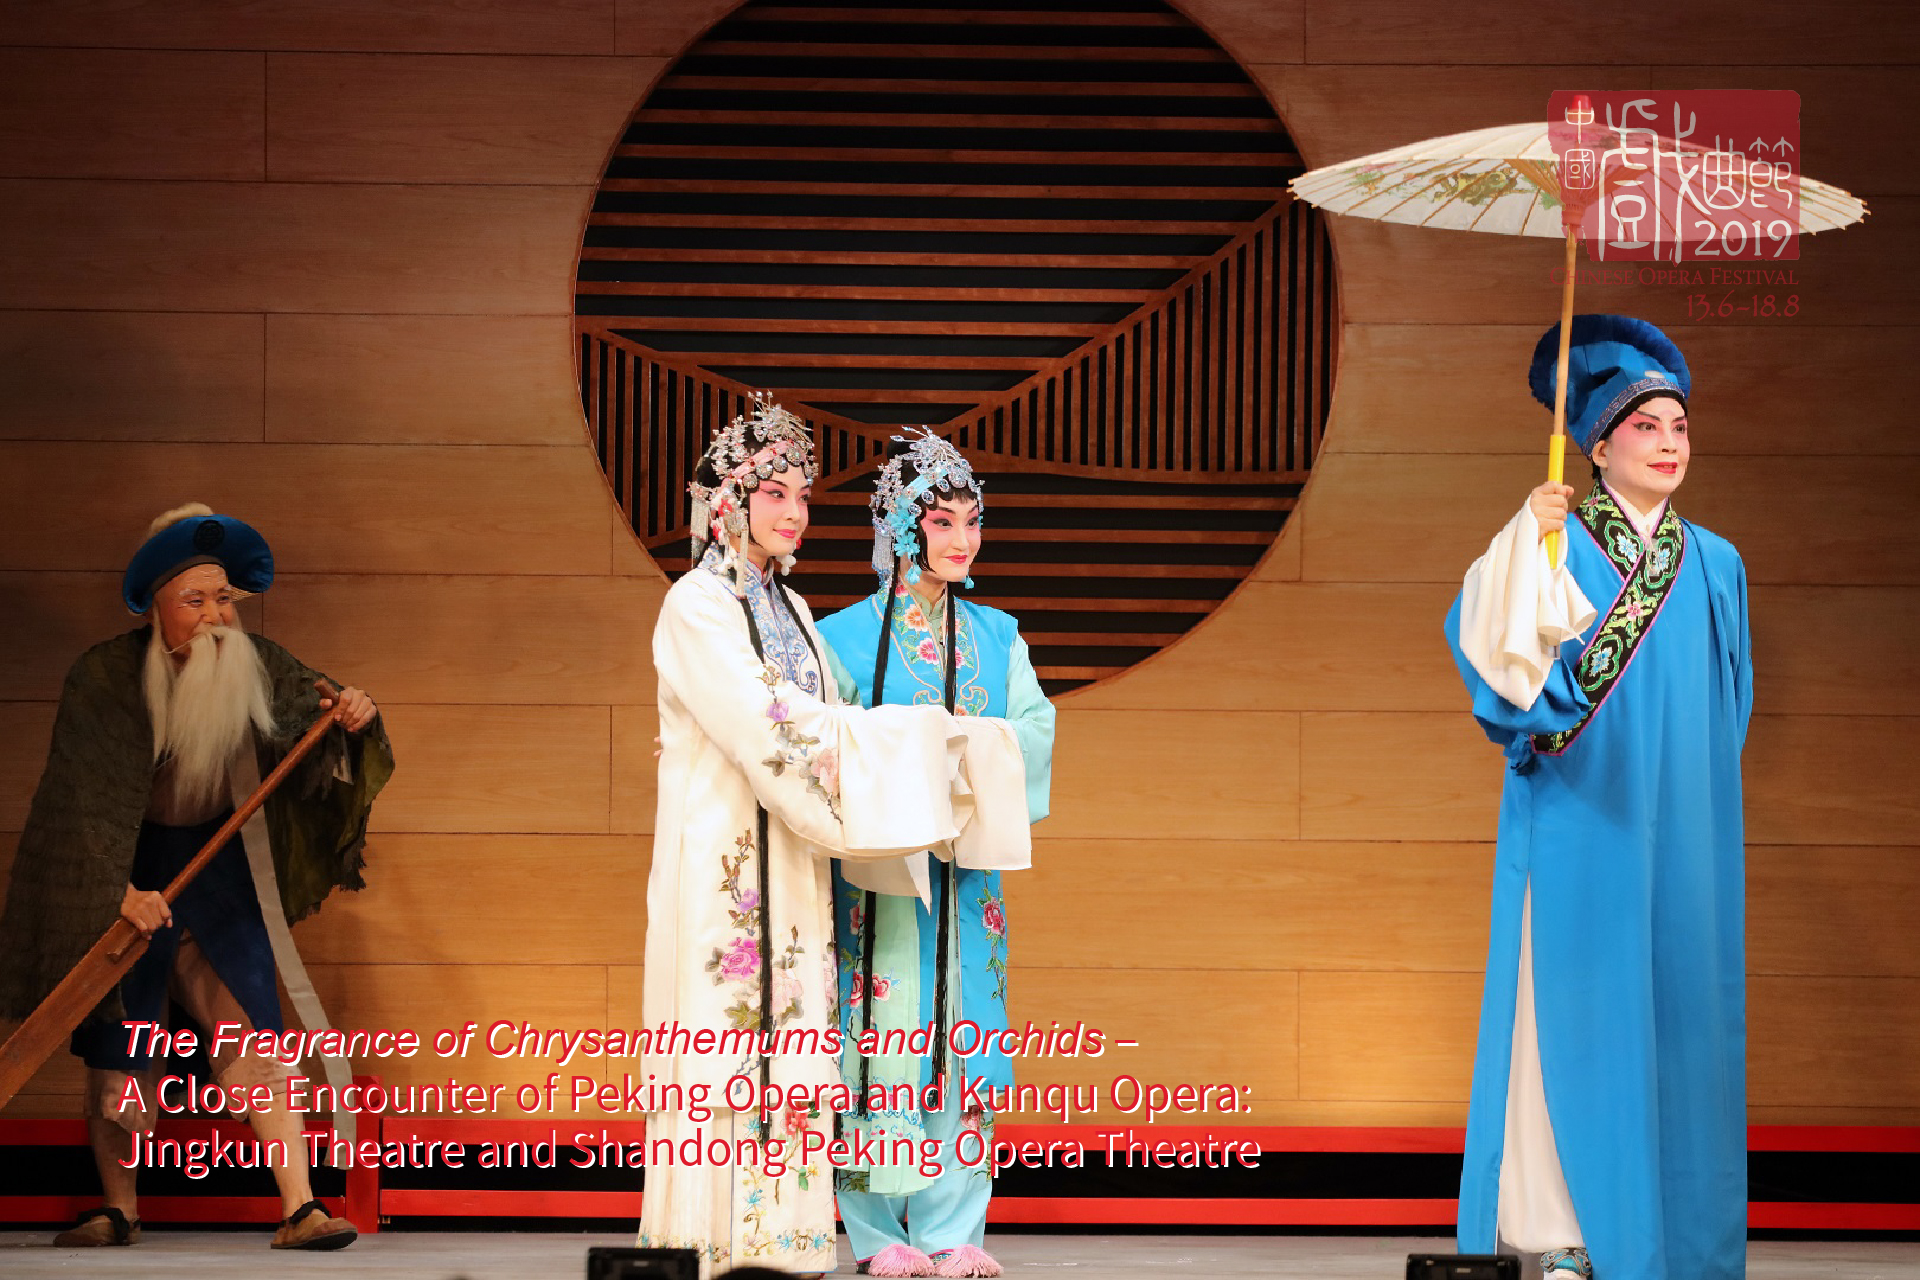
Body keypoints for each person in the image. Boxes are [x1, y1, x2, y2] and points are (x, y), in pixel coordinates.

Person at [638, 400, 981, 1279]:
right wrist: (898, 739)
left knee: (794, 1039)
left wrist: (900, 746)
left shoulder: (791, 607)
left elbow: (825, 719)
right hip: (722, 862)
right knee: (724, 1035)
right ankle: (705, 1238)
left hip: (792, 860)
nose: (792, 511)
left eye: (802, 494)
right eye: (772, 491)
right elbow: (771, 725)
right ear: (729, 499)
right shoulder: (696, 605)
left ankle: (785, 1239)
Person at [0, 504, 394, 1250]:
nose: (215, 615)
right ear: (157, 604)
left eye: (225, 598)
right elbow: (73, 806)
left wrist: (355, 714)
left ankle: (300, 1207)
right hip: (127, 870)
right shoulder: (104, 678)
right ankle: (120, 1209)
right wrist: (116, 892)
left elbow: (322, 710)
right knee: (125, 1038)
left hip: (218, 870)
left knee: (254, 1028)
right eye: (196, 599)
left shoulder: (259, 663)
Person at [1447, 317, 1752, 1280]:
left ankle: (1687, 1240)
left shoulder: (1717, 566)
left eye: (1681, 427)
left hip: (1688, 821)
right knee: (1572, 1018)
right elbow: (1497, 661)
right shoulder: (1552, 545)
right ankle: (1566, 1233)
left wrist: (1690, 791)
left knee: (1686, 1016)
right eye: (1647, 426)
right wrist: (1524, 540)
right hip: (1582, 810)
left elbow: (1729, 703)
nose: (1669, 442)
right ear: (1598, 443)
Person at [814, 431, 1054, 1279]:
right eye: (942, 522)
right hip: (878, 885)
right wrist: (914, 755)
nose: (961, 539)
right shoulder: (840, 636)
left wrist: (958, 754)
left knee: (962, 1038)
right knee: (878, 1039)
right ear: (901, 529)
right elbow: (827, 743)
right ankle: (880, 1238)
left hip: (964, 870)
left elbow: (1032, 729)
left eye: (972, 522)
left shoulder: (998, 633)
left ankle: (956, 1229)